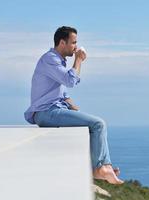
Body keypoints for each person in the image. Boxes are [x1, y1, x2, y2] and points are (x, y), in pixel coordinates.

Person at [24, 26, 124, 185]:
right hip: (46, 112)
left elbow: (61, 89)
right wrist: (78, 60)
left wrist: (71, 105)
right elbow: (70, 81)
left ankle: (103, 166)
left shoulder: (57, 60)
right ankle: (100, 168)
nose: (76, 47)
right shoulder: (50, 59)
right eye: (73, 42)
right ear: (62, 42)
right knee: (98, 124)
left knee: (91, 124)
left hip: (52, 110)